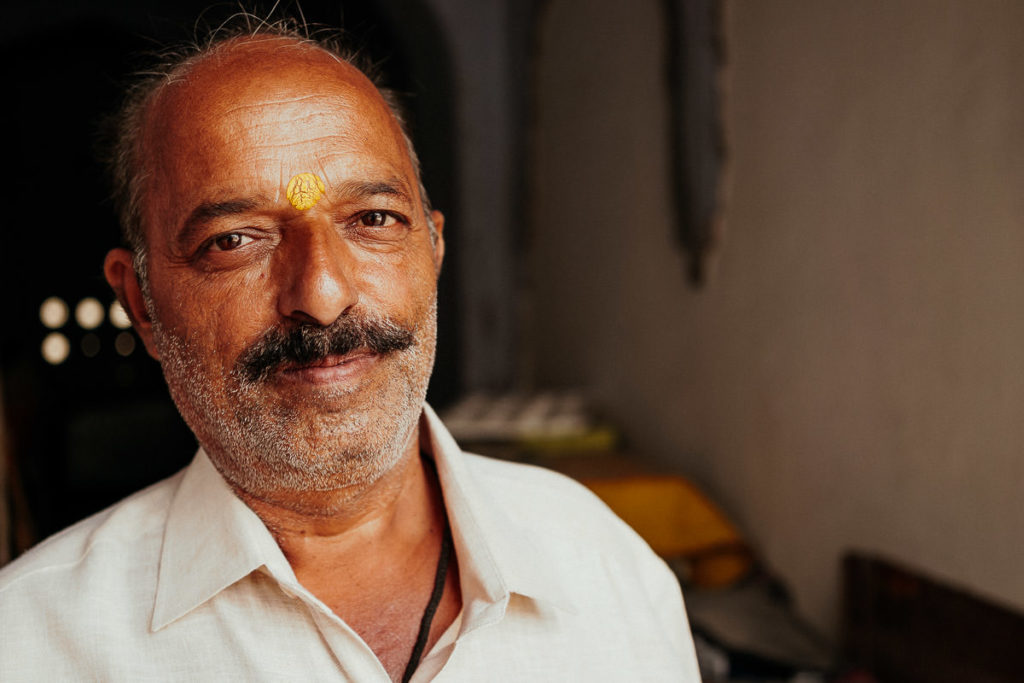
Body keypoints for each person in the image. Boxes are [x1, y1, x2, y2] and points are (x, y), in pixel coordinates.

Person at [0, 16, 701, 682]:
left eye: (372, 219)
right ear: (141, 305)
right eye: (234, 239)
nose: (323, 293)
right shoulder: (34, 640)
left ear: (433, 249)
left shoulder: (608, 569)